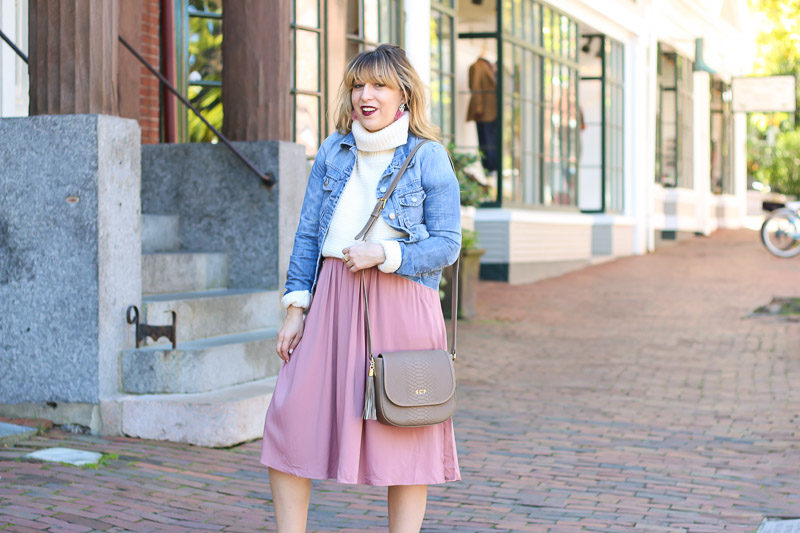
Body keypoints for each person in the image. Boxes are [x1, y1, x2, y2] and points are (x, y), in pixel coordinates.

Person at [260, 44, 462, 533]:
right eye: (357, 85)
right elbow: (309, 233)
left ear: (404, 96)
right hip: (332, 297)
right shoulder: (333, 149)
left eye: (378, 85)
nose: (364, 95)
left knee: (406, 426)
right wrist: (295, 307)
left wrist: (386, 254)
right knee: (289, 420)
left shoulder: (428, 157)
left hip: (402, 302)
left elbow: (448, 244)